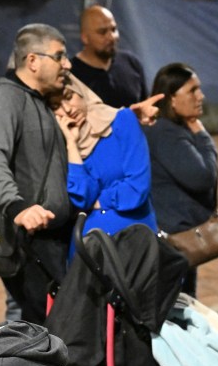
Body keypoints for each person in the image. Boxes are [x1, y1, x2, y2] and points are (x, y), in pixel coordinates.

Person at [0, 23, 74, 325]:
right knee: (47, 329)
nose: (67, 64)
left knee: (56, 325)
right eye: (59, 56)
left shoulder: (41, 97)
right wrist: (17, 207)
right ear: (33, 61)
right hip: (31, 241)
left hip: (55, 238)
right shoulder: (7, 96)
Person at [51, 74, 157, 243]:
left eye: (69, 97)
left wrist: (101, 200)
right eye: (56, 106)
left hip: (135, 236)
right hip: (90, 243)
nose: (68, 109)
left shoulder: (123, 120)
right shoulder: (62, 143)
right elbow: (83, 198)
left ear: (81, 91)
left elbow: (137, 188)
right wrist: (72, 144)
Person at [143, 63, 218, 297]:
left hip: (173, 238)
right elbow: (203, 177)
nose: (200, 96)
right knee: (179, 306)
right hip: (172, 242)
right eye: (192, 90)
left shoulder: (168, 129)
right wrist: (201, 133)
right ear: (171, 99)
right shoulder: (166, 133)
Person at [71, 5, 148, 108]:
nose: (111, 37)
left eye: (114, 29)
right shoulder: (71, 74)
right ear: (85, 38)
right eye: (102, 32)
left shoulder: (131, 63)